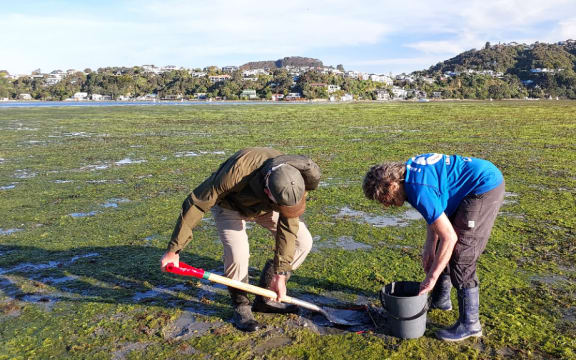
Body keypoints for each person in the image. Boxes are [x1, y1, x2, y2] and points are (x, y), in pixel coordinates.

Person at [160, 147, 321, 332]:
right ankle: (241, 306)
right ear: (268, 190)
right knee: (238, 254)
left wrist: (281, 273)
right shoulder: (237, 171)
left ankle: (265, 299)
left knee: (303, 241)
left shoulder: (298, 179)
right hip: (230, 206)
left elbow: (288, 226)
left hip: (267, 208)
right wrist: (174, 250)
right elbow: (197, 203)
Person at [362, 153, 504, 341]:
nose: (386, 205)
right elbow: (435, 213)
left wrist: (431, 277)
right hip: (464, 187)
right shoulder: (409, 177)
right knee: (441, 250)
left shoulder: (419, 190)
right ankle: (441, 300)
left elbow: (449, 237)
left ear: (392, 185)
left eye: (384, 199)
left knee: (462, 255)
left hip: (483, 186)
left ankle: (470, 324)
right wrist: (429, 246)